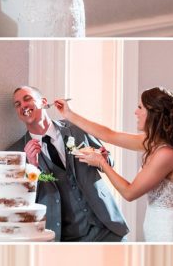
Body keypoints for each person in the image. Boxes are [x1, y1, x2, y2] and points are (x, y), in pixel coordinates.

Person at [54, 88, 173, 241]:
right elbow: (108, 135)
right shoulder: (153, 143)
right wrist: (69, 114)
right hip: (156, 227)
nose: (136, 112)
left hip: (169, 231)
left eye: (140, 107)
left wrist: (102, 162)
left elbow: (129, 193)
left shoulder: (166, 154)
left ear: (154, 113)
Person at [8, 85, 128, 242]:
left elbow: (108, 160)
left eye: (27, 99)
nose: (23, 105)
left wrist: (103, 158)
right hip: (63, 237)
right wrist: (33, 167)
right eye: (17, 104)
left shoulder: (76, 128)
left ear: (43, 102)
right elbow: (21, 203)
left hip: (106, 226)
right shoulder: (16, 153)